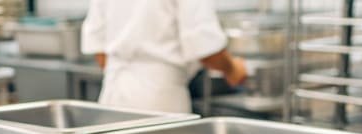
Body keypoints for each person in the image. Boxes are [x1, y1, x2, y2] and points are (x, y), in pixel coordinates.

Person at [81, 0, 247, 113]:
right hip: (160, 102)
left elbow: (99, 51)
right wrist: (232, 69)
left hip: (113, 99)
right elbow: (206, 50)